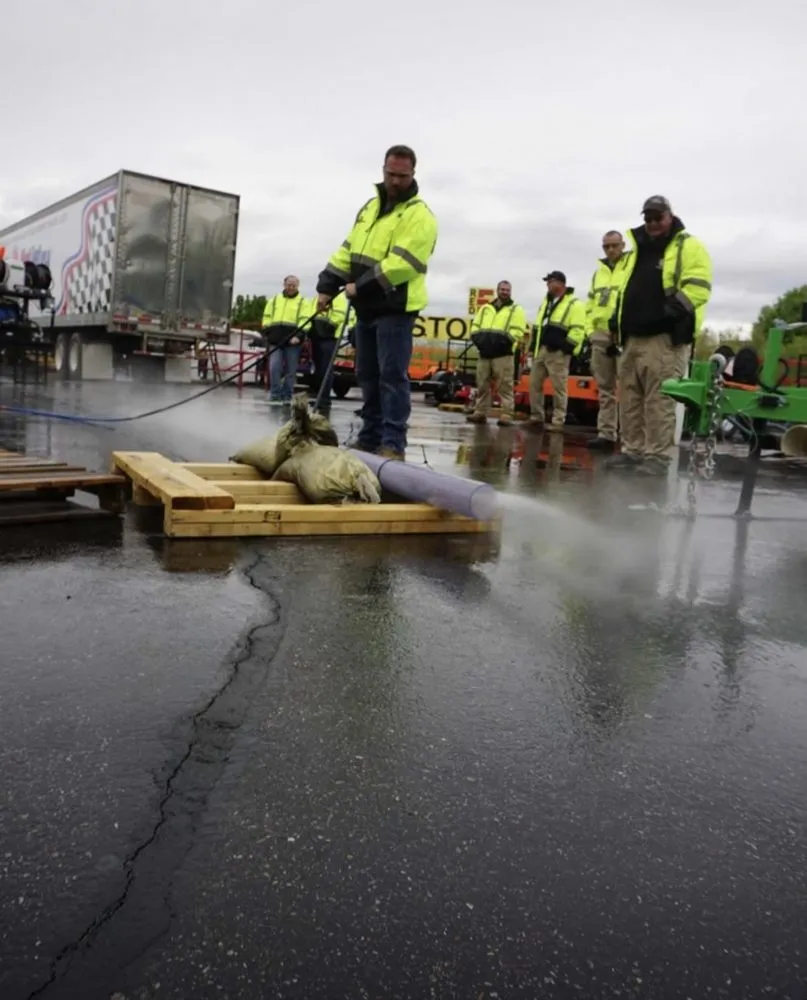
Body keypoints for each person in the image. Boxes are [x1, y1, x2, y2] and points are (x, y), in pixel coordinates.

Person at [315, 144, 438, 460]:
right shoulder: (369, 209)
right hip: (366, 310)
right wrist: (327, 285)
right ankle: (370, 437)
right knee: (367, 374)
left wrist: (360, 287)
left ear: (413, 173)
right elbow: (348, 250)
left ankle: (393, 444)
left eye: (402, 176)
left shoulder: (419, 215)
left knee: (392, 376)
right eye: (390, 174)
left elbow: (402, 264)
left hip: (395, 310)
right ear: (383, 170)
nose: (395, 181)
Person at [606, 196, 713, 475]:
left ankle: (657, 457)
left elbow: (699, 286)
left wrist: (671, 311)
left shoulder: (688, 245)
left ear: (670, 216)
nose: (653, 223)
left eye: (658, 217)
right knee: (629, 398)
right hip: (631, 337)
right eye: (648, 218)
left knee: (659, 399)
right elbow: (622, 288)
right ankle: (632, 451)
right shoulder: (636, 251)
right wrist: (615, 320)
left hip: (663, 338)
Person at [585, 231, 632, 453]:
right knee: (605, 388)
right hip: (600, 334)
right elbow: (590, 305)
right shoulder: (598, 274)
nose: (611, 250)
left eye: (614, 245)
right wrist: (590, 332)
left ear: (623, 245)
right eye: (606, 246)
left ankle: (630, 438)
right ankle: (606, 434)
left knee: (630, 388)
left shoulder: (631, 267)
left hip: (625, 334)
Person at [527, 271, 587, 432]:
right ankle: (536, 417)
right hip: (542, 350)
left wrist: (565, 349)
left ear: (561, 284)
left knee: (559, 387)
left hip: (558, 353)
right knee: (534, 384)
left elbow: (578, 330)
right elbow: (537, 327)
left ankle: (558, 420)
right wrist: (533, 347)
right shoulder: (546, 303)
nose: (547, 285)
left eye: (550, 281)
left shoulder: (575, 304)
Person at [466, 280, 527, 427]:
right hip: (485, 353)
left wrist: (505, 342)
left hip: (503, 354)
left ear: (510, 292)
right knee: (482, 384)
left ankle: (506, 414)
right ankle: (480, 412)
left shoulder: (516, 309)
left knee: (505, 385)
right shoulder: (486, 308)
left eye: (507, 290)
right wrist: (478, 340)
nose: (505, 292)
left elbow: (518, 330)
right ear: (497, 290)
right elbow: (475, 326)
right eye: (502, 289)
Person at [262, 275, 311, 405]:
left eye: (294, 285)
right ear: (284, 285)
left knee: (291, 370)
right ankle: (275, 394)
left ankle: (287, 395)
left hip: (293, 342)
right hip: (276, 341)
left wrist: (298, 337)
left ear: (297, 286)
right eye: (289, 284)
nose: (291, 287)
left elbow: (306, 321)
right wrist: (268, 333)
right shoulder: (274, 300)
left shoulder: (303, 302)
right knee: (274, 367)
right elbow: (266, 318)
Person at [307, 290, 349, 414]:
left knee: (326, 369)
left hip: (329, 337)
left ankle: (324, 399)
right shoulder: (316, 298)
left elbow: (341, 317)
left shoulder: (339, 298)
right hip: (316, 336)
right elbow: (310, 314)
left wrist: (335, 334)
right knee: (319, 369)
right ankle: (319, 397)